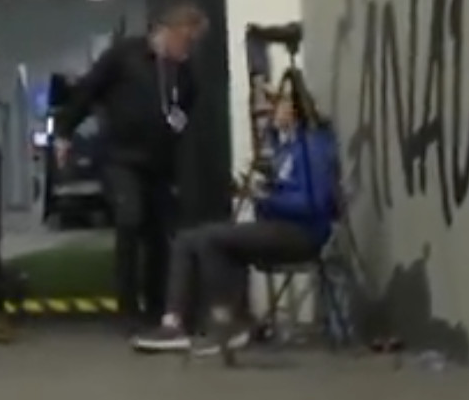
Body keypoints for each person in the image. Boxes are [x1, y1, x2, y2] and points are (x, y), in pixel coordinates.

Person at [132, 68, 339, 353]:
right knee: (188, 239)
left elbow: (313, 203)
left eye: (274, 103)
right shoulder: (281, 149)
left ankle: (228, 323)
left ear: (293, 108)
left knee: (212, 239)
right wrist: (261, 192)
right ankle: (174, 322)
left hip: (301, 233)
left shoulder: (311, 147)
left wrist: (265, 198)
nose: (267, 111)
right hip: (278, 227)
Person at [51, 0, 207, 329]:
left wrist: (173, 130)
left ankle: (156, 306)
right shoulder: (124, 56)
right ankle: (127, 308)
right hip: (120, 159)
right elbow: (87, 91)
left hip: (159, 165)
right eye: (187, 40)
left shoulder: (184, 74)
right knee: (130, 219)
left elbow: (187, 107)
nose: (189, 49)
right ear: (169, 31)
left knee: (159, 234)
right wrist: (64, 132)